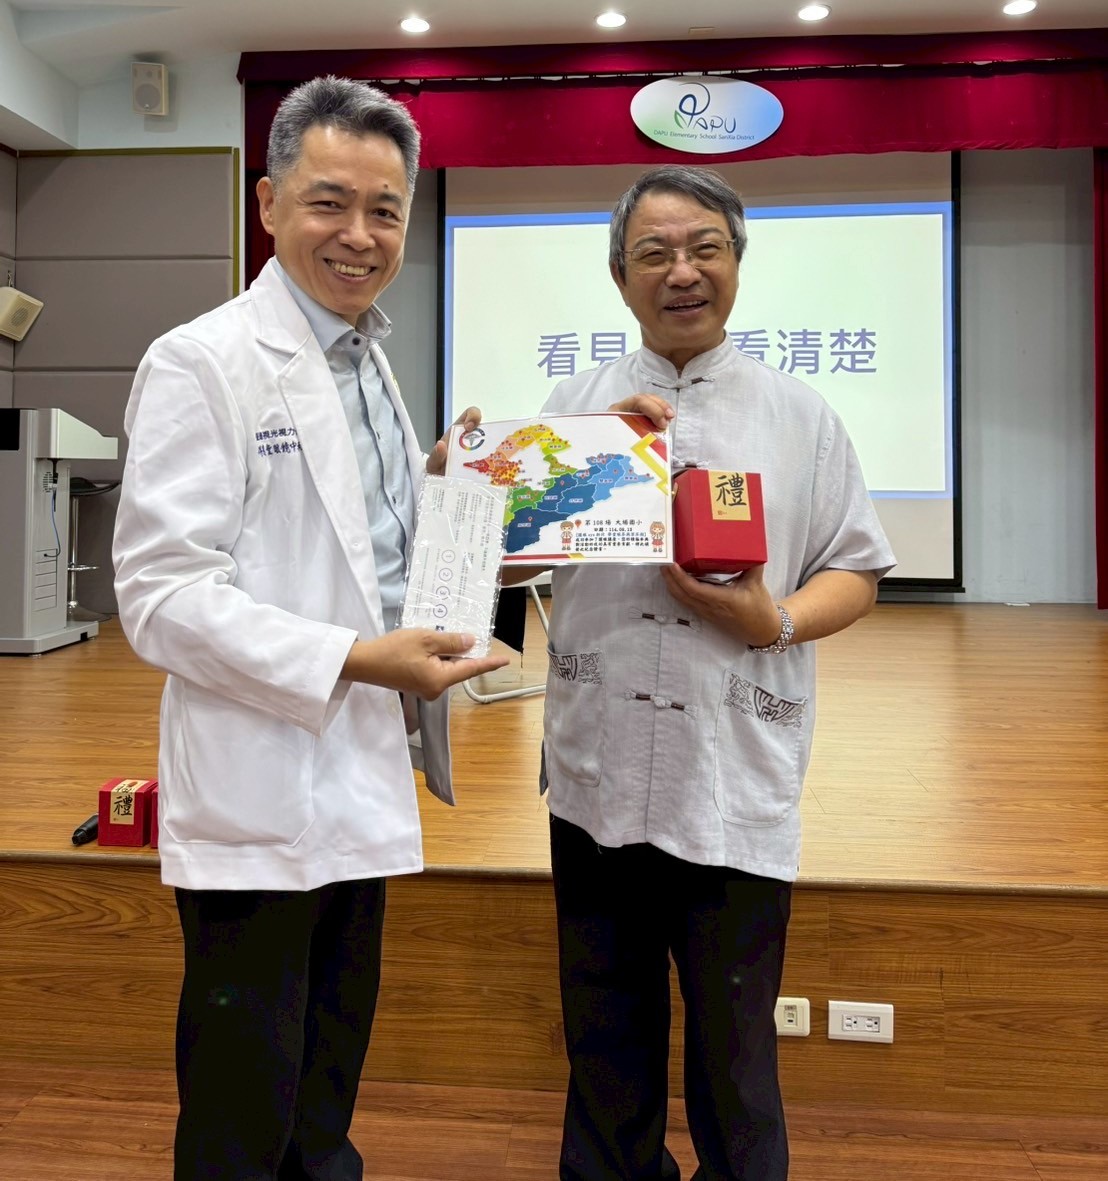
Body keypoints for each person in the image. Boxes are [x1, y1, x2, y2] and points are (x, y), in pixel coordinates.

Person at [112, 76, 506, 1181]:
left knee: (327, 1076)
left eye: (386, 209)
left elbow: (361, 534)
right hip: (261, 781)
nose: (359, 235)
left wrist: (453, 485)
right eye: (330, 202)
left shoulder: (366, 358)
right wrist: (353, 658)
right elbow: (161, 594)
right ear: (268, 201)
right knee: (245, 1095)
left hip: (356, 767)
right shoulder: (204, 360)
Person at [538, 165, 896, 1180]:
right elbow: (506, 555)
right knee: (603, 1027)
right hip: (597, 767)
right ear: (619, 277)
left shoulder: (799, 414)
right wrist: (560, 466)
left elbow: (856, 569)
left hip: (730, 766)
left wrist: (771, 620)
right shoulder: (575, 408)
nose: (682, 271)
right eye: (653, 253)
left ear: (737, 264)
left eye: (705, 248)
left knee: (736, 1048)